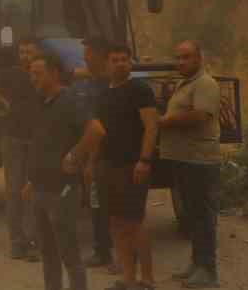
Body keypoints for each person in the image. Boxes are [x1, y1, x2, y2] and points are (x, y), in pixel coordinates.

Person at [86, 43, 159, 290]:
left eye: (124, 60)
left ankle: (147, 279)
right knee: (116, 223)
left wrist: (144, 160)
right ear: (107, 64)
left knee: (134, 222)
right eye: (115, 60)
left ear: (131, 63)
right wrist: (92, 164)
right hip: (107, 166)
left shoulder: (140, 89)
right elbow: (97, 132)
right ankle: (128, 278)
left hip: (132, 166)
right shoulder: (103, 94)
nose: (120, 64)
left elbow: (151, 126)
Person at [23, 51, 90, 290]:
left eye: (38, 74)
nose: (33, 79)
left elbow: (96, 132)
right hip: (40, 189)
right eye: (31, 74)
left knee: (69, 253)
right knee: (48, 253)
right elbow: (42, 144)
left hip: (62, 190)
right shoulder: (42, 103)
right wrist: (32, 181)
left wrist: (75, 155)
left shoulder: (70, 101)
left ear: (54, 73)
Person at [159, 40, 222, 289]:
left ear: (198, 59)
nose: (180, 62)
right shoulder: (186, 84)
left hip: (200, 160)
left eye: (186, 57)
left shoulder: (206, 84)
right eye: (178, 57)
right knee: (193, 216)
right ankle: (197, 264)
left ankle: (208, 270)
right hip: (185, 159)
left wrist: (165, 121)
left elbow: (201, 116)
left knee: (203, 217)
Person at [0, 40, 41, 261]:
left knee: (34, 189)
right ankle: (16, 241)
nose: (25, 55)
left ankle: (32, 241)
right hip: (13, 138)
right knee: (13, 189)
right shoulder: (11, 74)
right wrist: (4, 102)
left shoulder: (43, 73)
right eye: (22, 51)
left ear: (38, 53)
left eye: (29, 51)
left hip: (37, 139)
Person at [70, 35, 116, 272]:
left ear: (100, 55)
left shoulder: (110, 86)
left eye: (88, 54)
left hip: (108, 155)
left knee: (112, 206)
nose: (85, 58)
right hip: (95, 153)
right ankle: (102, 249)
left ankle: (115, 255)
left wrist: (90, 161)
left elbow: (99, 127)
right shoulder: (92, 81)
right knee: (97, 204)